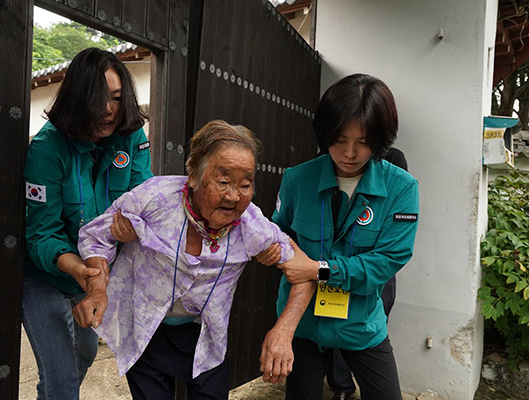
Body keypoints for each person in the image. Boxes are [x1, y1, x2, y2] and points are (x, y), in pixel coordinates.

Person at [73, 120, 296, 400]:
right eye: (224, 181)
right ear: (193, 175)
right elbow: (95, 235)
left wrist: (283, 331)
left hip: (206, 337)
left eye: (245, 184)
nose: (234, 195)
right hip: (146, 330)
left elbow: (304, 272)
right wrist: (97, 289)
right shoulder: (154, 198)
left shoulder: (253, 225)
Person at [259, 74, 419, 400]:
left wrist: (320, 269)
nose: (349, 153)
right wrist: (272, 250)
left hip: (361, 323)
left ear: (380, 138)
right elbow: (281, 236)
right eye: (339, 139)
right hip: (304, 324)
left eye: (362, 142)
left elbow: (388, 260)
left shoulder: (401, 188)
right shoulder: (297, 179)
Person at [23, 47, 153, 399]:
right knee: (63, 383)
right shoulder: (48, 148)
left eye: (116, 97)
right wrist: (81, 271)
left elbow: (144, 198)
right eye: (99, 99)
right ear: (79, 99)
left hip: (96, 274)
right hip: (49, 274)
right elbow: (41, 234)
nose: (110, 109)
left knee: (86, 353)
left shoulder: (132, 136)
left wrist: (135, 223)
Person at [325, 148, 410, 400]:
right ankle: (341, 386)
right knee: (332, 320)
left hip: (375, 265)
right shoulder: (327, 158)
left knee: (369, 324)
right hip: (337, 260)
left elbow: (394, 211)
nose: (350, 152)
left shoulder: (394, 160)